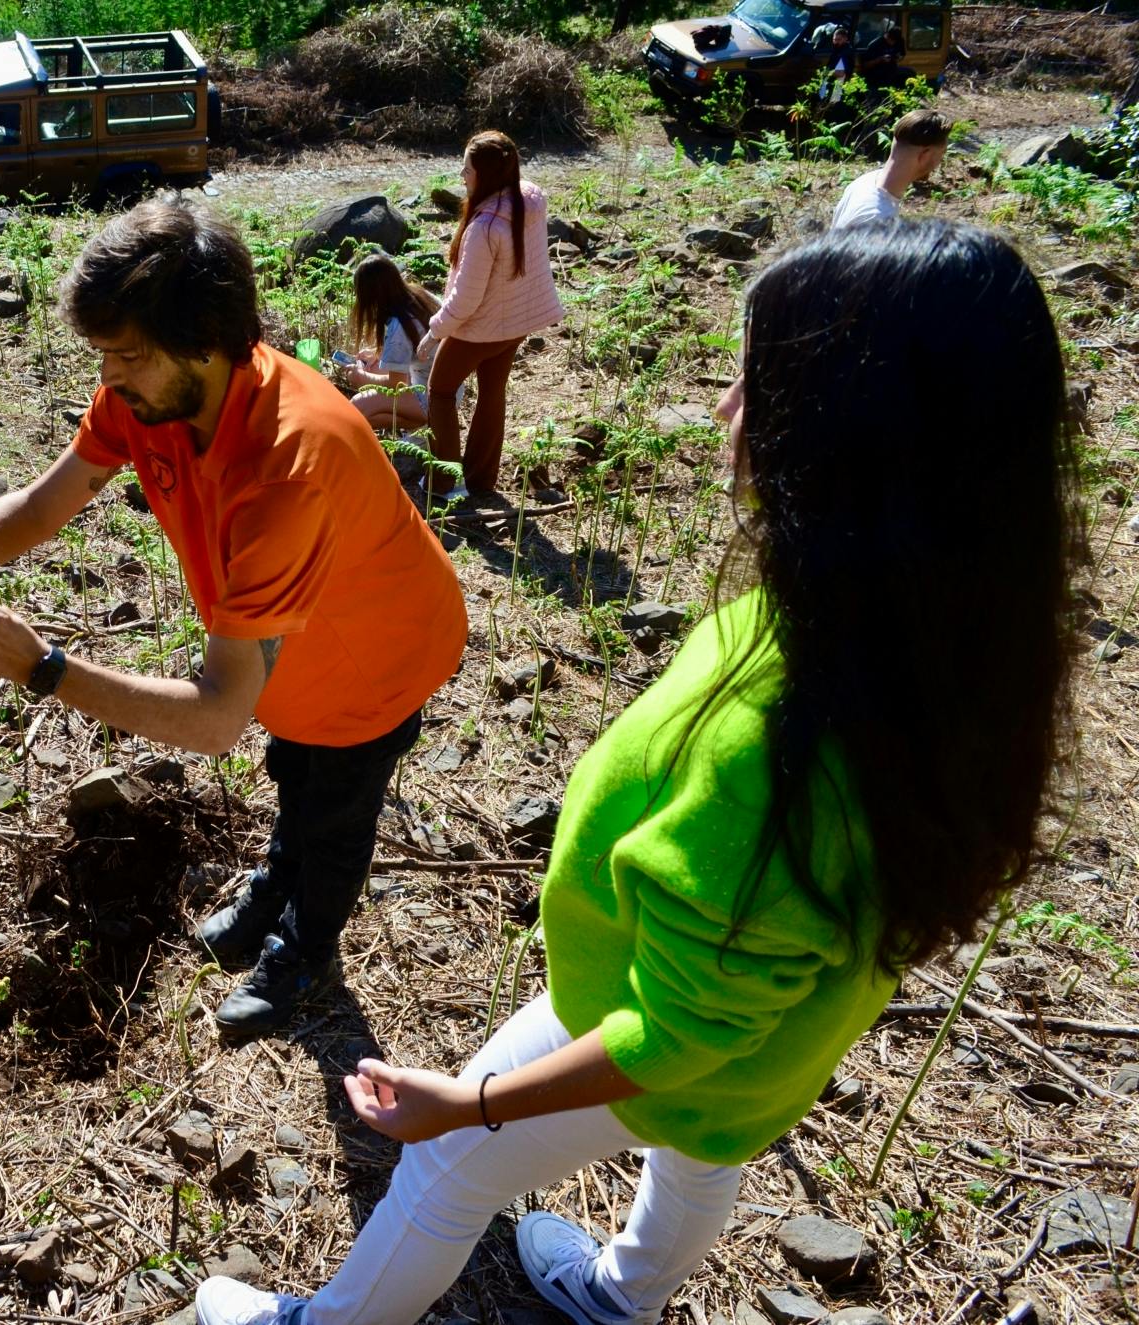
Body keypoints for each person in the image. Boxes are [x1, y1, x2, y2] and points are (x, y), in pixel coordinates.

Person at [195, 220, 1080, 1325]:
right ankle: (621, 1297)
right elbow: (721, 1025)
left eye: (751, 384)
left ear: (847, 439)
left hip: (646, 1017)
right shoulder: (934, 623)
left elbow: (675, 1035)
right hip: (764, 1051)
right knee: (704, 1148)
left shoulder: (780, 743)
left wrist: (467, 1102)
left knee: (445, 1171)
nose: (722, 409)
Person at [0, 198, 468, 1035]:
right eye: (102, 355)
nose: (107, 379)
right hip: (286, 655)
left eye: (125, 356)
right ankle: (277, 885)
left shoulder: (287, 468)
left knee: (335, 810)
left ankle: (307, 947)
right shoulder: (150, 401)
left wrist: (42, 667)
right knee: (293, 775)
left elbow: (213, 719)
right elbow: (39, 505)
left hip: (375, 655)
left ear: (204, 338)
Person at [418, 131, 562, 500]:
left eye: (467, 170)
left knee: (440, 391)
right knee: (491, 392)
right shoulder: (530, 196)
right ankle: (481, 482)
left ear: (486, 174)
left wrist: (435, 331)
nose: (462, 177)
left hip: (481, 327)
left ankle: (444, 483)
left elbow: (466, 300)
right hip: (516, 321)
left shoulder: (484, 228)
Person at [335, 252, 441, 435]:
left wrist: (362, 378)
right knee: (375, 367)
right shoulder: (419, 295)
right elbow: (413, 345)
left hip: (431, 396)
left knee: (356, 409)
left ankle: (424, 423)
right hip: (446, 387)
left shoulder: (398, 326)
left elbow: (396, 386)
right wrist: (379, 352)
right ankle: (419, 425)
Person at [831, 108, 950, 229]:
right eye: (941, 154)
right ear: (925, 155)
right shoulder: (877, 219)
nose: (939, 162)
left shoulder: (865, 181)